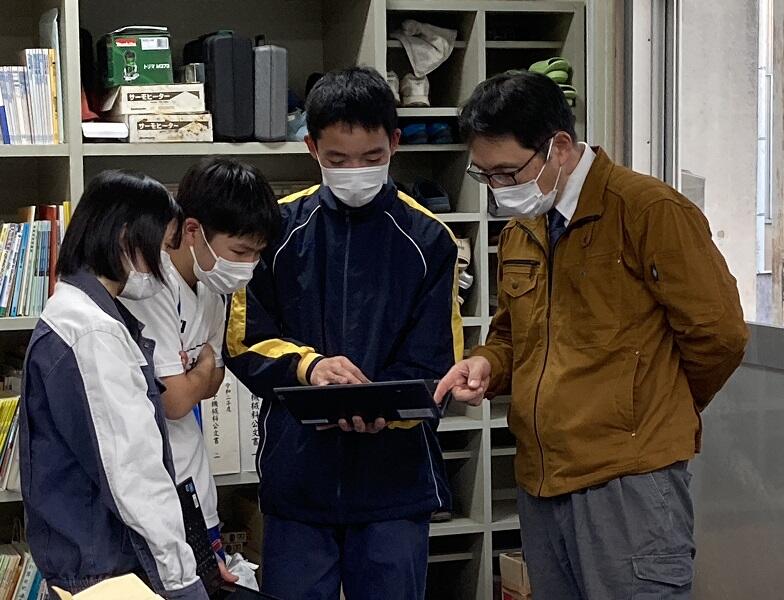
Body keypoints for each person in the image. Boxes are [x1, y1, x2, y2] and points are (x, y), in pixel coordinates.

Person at [434, 71, 750, 599]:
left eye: (508, 172)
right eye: (484, 174)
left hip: (627, 481)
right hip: (541, 480)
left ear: (559, 147)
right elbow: (512, 334)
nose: (498, 189)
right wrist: (488, 362)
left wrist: (650, 408)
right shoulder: (525, 226)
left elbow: (718, 335)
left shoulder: (647, 211)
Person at [223, 66, 463, 600]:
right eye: (337, 159)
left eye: (371, 157)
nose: (355, 171)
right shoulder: (278, 229)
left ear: (395, 143)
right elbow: (244, 338)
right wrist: (309, 367)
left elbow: (436, 360)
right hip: (299, 475)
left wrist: (385, 406)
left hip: (394, 483)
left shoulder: (430, 239)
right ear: (311, 148)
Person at [19, 170, 208, 599]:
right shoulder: (93, 332)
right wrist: (182, 578)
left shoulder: (78, 314)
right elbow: (134, 474)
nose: (164, 266)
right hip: (108, 573)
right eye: (162, 247)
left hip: (94, 563)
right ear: (126, 238)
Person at [121, 157, 279, 581]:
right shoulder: (150, 285)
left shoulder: (211, 287)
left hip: (194, 484)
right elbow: (173, 401)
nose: (248, 265)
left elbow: (214, 380)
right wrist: (201, 368)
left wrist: (196, 373)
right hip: (151, 489)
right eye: (240, 252)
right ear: (192, 230)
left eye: (257, 254)